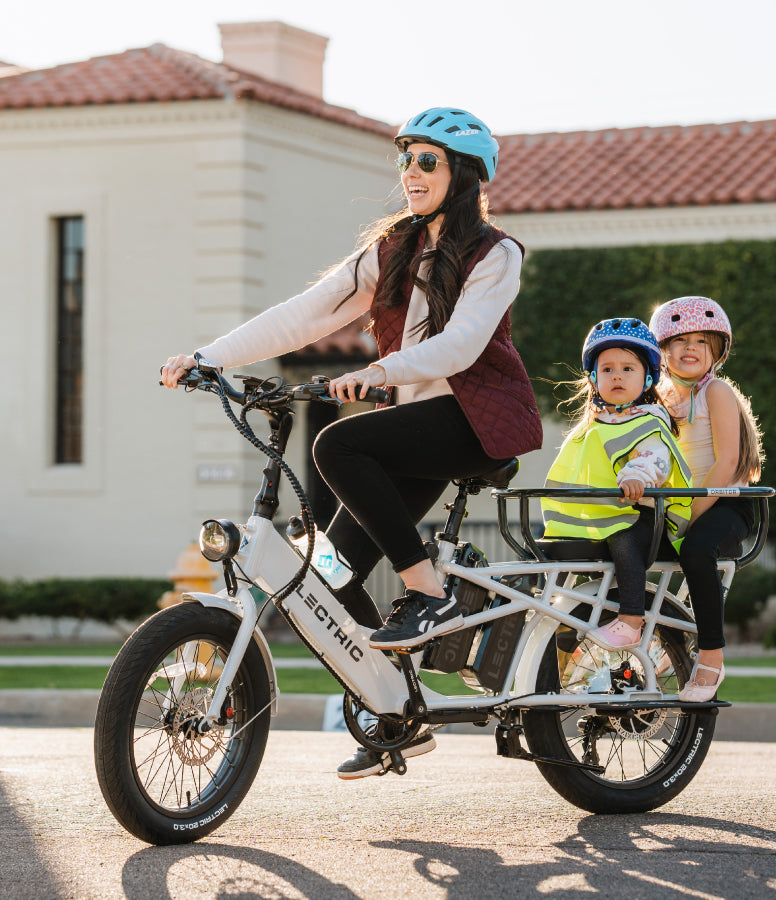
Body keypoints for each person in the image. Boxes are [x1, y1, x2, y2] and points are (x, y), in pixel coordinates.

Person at [161, 106, 542, 776]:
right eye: (404, 157)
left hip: (475, 422)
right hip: (414, 430)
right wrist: (209, 358)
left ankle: (428, 592)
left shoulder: (496, 253)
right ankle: (395, 711)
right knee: (330, 574)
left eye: (427, 159)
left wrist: (378, 372)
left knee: (336, 447)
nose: (410, 171)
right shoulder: (391, 250)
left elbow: (460, 347)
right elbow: (305, 313)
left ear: (465, 174)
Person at [541, 318, 692, 648]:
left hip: (639, 514)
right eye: (607, 369)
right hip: (599, 513)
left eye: (628, 368)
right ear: (595, 378)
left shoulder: (649, 419)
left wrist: (638, 474)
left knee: (624, 544)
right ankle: (558, 616)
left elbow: (655, 456)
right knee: (550, 552)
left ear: (648, 378)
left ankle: (630, 620)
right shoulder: (594, 424)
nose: (617, 375)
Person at [650, 296, 764, 702]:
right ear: (661, 351)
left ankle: (712, 657)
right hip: (683, 503)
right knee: (625, 544)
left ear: (716, 350)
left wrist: (687, 517)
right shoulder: (657, 399)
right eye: (678, 340)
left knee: (696, 549)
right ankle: (657, 638)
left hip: (726, 501)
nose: (690, 348)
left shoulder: (716, 392)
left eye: (701, 340)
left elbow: (728, 462)